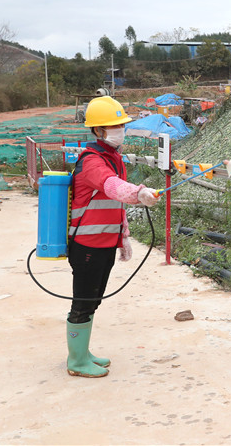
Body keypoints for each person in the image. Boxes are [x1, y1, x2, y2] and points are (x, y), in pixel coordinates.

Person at [65, 96, 159, 378]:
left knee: (94, 299)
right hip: (87, 245)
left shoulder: (113, 159)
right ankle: (76, 361)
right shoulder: (92, 162)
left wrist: (124, 236)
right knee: (82, 301)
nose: (120, 129)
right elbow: (112, 187)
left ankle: (84, 352)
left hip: (105, 243)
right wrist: (138, 193)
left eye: (121, 124)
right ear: (97, 130)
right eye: (113, 125)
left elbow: (112, 205)